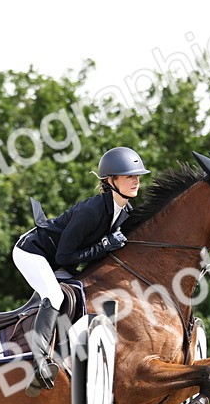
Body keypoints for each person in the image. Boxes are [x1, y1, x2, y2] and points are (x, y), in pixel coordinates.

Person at [12, 146, 150, 388]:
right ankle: (38, 363)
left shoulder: (125, 212)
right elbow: (65, 256)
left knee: (87, 293)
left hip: (57, 258)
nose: (136, 181)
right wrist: (104, 246)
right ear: (111, 181)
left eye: (137, 176)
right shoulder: (92, 210)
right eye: (130, 176)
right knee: (53, 295)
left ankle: (67, 354)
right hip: (32, 252)